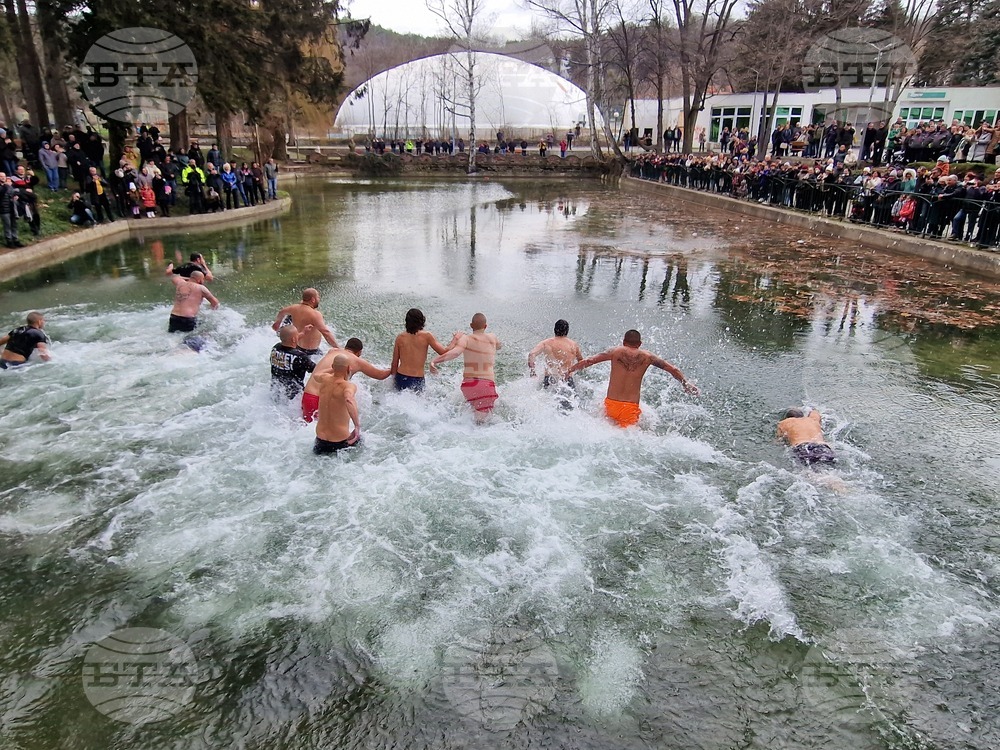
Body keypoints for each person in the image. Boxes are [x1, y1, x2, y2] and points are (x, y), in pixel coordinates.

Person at [568, 329, 699, 428]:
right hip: (630, 408)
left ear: (624, 342)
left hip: (611, 404)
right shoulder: (649, 357)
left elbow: (589, 361)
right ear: (640, 344)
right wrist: (685, 384)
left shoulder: (615, 352)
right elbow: (673, 370)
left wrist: (569, 371)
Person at [431, 312, 501, 423]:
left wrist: (435, 361)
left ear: (471, 325)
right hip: (485, 384)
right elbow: (499, 346)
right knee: (482, 424)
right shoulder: (493, 337)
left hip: (468, 384)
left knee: (471, 418)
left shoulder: (465, 339)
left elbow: (455, 353)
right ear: (486, 326)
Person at [301, 337, 390, 422]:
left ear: (346, 347)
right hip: (319, 400)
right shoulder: (356, 360)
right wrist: (396, 367)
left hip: (307, 395)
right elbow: (380, 375)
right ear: (359, 353)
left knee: (308, 430)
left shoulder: (332, 352)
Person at [390, 308, 452, 392]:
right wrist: (455, 340)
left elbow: (394, 363)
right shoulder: (427, 336)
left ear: (407, 321)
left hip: (401, 377)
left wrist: (393, 380)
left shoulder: (400, 338)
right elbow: (443, 352)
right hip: (417, 379)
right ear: (422, 320)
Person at [528, 319, 582, 409]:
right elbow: (581, 362)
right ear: (567, 331)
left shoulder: (546, 343)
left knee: (548, 407)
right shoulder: (573, 345)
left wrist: (533, 372)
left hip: (549, 380)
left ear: (554, 329)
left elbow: (532, 354)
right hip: (567, 380)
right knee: (571, 408)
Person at [312, 354, 361, 454]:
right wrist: (357, 425)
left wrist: (334, 369)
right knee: (362, 440)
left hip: (320, 441)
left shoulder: (324, 379)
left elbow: (316, 374)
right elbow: (349, 400)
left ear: (333, 366)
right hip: (339, 442)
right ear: (348, 368)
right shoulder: (348, 386)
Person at [272, 288, 338, 356]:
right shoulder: (315, 314)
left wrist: (277, 323)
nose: (319, 299)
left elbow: (281, 312)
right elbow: (325, 332)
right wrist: (338, 348)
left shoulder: (294, 308)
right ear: (313, 299)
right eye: (318, 297)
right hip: (312, 353)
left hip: (297, 347)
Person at [165, 265, 219, 333]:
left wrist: (191, 278)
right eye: (203, 279)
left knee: (172, 337)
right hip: (188, 319)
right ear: (199, 280)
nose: (203, 281)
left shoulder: (180, 284)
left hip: (174, 317)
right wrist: (211, 311)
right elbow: (215, 302)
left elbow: (175, 277)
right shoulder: (201, 288)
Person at [270, 324, 316, 400]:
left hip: (276, 392)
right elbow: (317, 370)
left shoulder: (275, 348)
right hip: (294, 398)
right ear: (294, 339)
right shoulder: (300, 356)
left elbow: (288, 340)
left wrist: (303, 333)